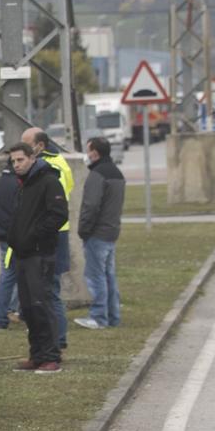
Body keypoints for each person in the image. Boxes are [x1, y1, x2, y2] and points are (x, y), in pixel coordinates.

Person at [4, 141, 70, 372]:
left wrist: (33, 236)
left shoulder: (48, 181)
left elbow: (58, 215)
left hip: (40, 254)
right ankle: (37, 354)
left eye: (20, 160)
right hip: (23, 254)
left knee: (42, 304)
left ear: (32, 158)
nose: (16, 165)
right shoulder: (24, 184)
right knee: (29, 308)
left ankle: (51, 356)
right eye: (13, 161)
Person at [22, 127, 75, 353]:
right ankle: (54, 337)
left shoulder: (52, 168)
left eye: (27, 145)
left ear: (40, 146)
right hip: (53, 231)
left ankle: (58, 338)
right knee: (45, 288)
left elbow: (53, 205)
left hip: (53, 233)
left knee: (50, 289)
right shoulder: (58, 163)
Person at [75, 136, 127, 329]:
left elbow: (91, 205)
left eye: (88, 150)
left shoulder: (97, 175)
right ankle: (113, 317)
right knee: (108, 276)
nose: (87, 154)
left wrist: (83, 229)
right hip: (112, 230)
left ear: (94, 152)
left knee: (95, 276)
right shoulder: (117, 173)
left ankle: (98, 317)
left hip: (97, 232)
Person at [0, 163, 21, 331]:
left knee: (7, 275)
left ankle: (3, 316)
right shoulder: (19, 185)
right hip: (17, 238)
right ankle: (6, 314)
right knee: (15, 276)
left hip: (3, 237)